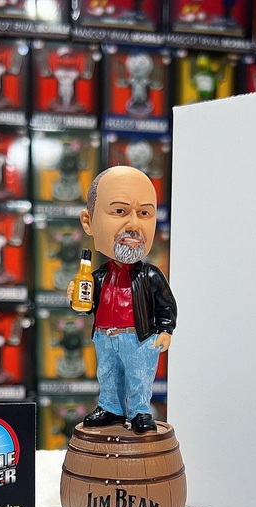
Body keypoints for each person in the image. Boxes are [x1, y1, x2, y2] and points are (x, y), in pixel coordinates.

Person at [67, 166, 177, 433]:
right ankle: (111, 408)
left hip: (138, 338)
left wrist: (165, 329)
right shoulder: (97, 276)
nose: (134, 225)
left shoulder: (150, 275)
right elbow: (88, 305)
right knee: (107, 375)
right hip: (105, 336)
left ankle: (140, 411)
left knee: (139, 376)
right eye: (119, 211)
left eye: (145, 213)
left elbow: (165, 304)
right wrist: (77, 299)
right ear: (88, 222)